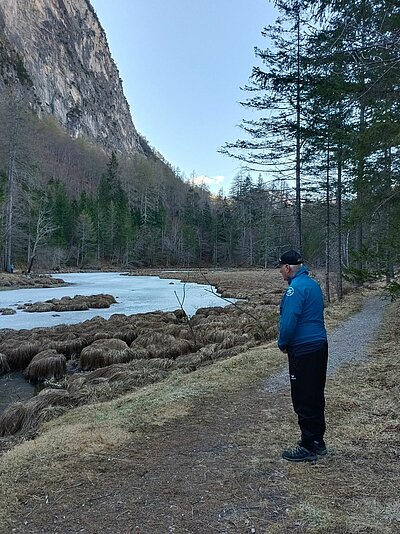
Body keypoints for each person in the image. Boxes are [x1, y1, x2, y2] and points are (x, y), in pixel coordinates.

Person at [277, 250, 328, 462]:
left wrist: (283, 343)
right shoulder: (312, 285)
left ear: (288, 268)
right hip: (319, 345)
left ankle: (310, 445)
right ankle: (317, 440)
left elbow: (289, 321)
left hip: (303, 349)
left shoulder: (294, 290)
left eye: (280, 267)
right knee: (315, 393)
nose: (280, 271)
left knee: (303, 397)